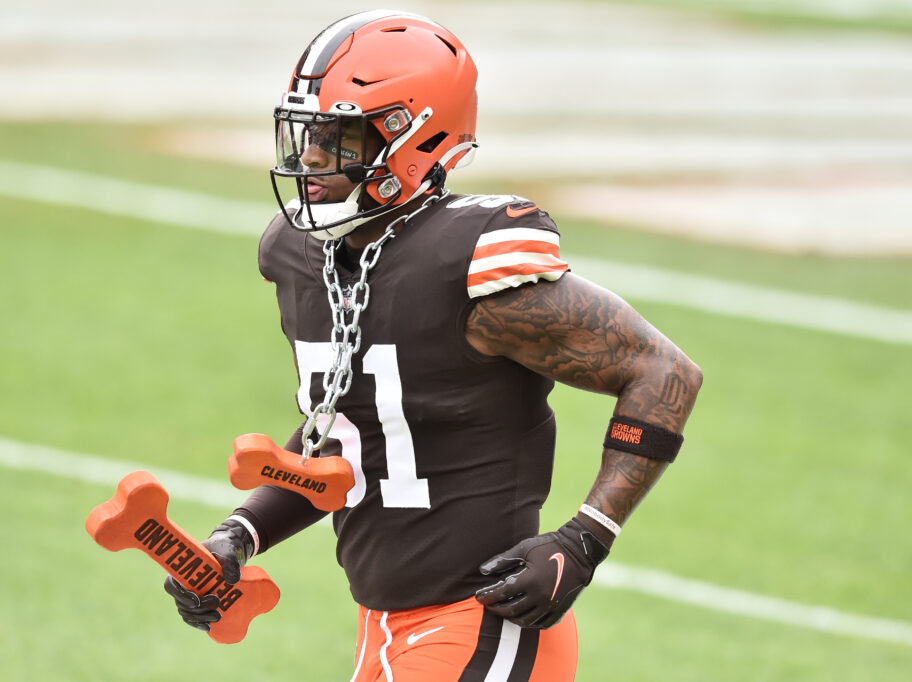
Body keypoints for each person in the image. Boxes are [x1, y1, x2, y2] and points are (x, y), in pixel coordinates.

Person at [165, 10, 702, 681]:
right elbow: (354, 432)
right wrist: (238, 536)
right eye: (305, 138)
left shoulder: (472, 266)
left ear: (414, 139)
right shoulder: (299, 255)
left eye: (339, 141)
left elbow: (664, 371)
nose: (310, 163)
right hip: (386, 627)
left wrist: (586, 538)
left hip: (481, 621)